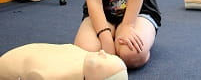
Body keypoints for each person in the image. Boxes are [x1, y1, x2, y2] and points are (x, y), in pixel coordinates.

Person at [0, 43, 128, 80]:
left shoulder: (57, 74)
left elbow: (37, 74)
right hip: (11, 59)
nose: (102, 52)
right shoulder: (81, 55)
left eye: (104, 59)